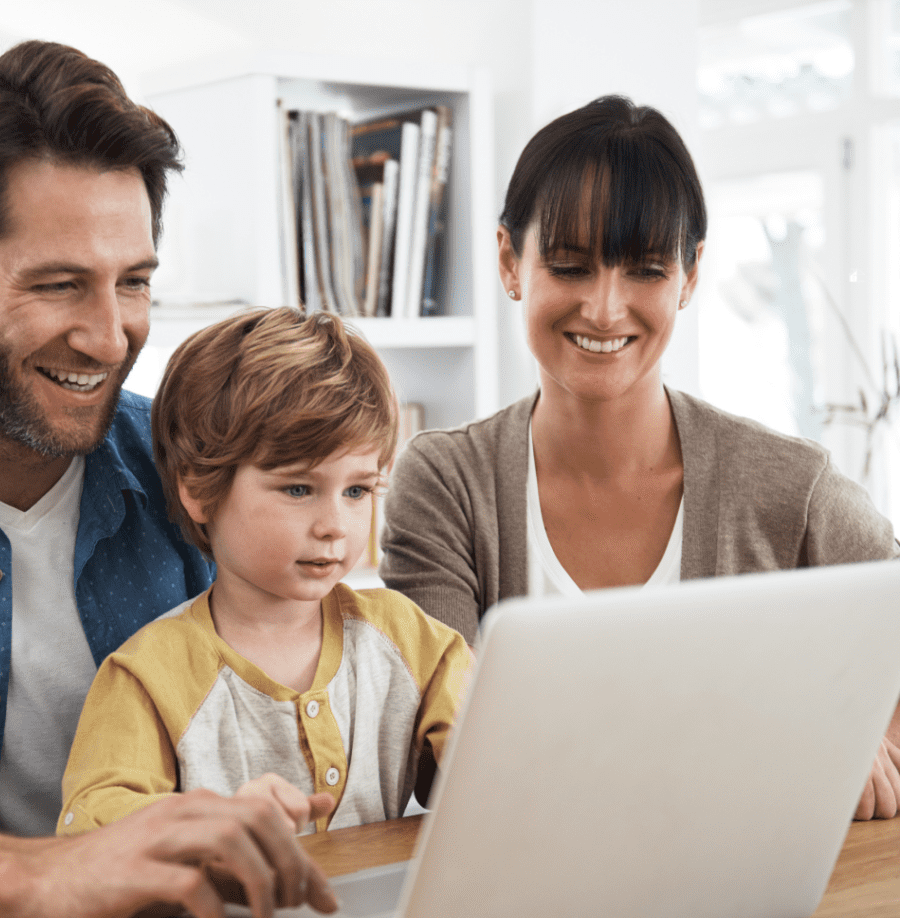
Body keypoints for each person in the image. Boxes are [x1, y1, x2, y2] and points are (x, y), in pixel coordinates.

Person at [0, 40, 336, 918]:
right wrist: (48, 878)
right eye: (58, 286)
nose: (109, 335)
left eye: (133, 283)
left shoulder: (195, 468)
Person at [379, 95, 900, 820]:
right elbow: (437, 761)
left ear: (690, 277)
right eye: (569, 265)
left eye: (647, 271)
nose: (604, 308)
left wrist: (868, 726)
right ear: (509, 261)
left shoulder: (789, 486)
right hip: (526, 895)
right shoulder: (446, 486)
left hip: (744, 888)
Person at [57, 306, 471, 837]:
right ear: (199, 489)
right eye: (298, 489)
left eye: (358, 491)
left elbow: (491, 767)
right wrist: (208, 826)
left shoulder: (409, 639)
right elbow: (87, 835)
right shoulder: (149, 676)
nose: (335, 526)